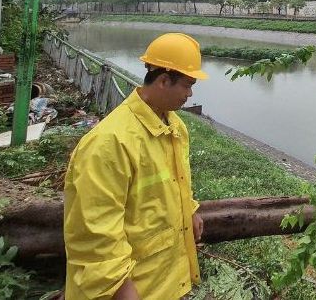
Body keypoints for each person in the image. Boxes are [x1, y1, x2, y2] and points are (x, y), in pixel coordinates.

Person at [63, 33, 208, 299]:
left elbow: (175, 181)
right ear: (164, 80)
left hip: (164, 283)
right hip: (130, 290)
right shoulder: (109, 143)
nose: (190, 94)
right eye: (188, 85)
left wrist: (191, 209)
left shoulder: (176, 127)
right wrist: (123, 290)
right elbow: (94, 233)